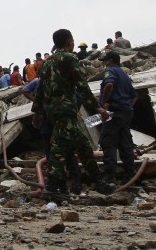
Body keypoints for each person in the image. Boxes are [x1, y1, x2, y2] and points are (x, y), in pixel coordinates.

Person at [32, 29, 113, 200]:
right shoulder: (70, 58)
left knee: (82, 145)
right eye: (73, 40)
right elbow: (82, 85)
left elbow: (40, 89)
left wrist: (38, 111)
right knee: (58, 148)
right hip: (65, 110)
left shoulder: (46, 63)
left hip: (52, 111)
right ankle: (52, 187)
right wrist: (97, 108)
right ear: (69, 42)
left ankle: (98, 181)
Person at [26, 78, 82, 194]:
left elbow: (38, 102)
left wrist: (38, 115)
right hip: (66, 125)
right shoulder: (67, 81)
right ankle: (73, 186)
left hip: (51, 124)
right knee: (69, 154)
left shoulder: (42, 82)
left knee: (53, 155)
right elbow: (80, 97)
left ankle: (58, 188)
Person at [98, 51, 137, 184]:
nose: (103, 63)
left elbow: (109, 85)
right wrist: (126, 107)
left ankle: (109, 177)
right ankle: (130, 175)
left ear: (110, 61)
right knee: (125, 143)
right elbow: (134, 96)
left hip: (114, 112)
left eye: (105, 61)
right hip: (126, 112)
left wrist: (104, 103)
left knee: (108, 142)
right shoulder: (125, 75)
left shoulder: (110, 71)